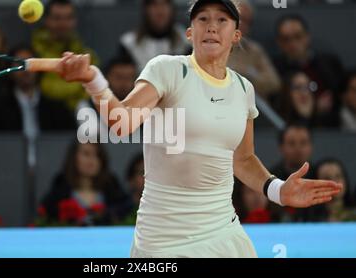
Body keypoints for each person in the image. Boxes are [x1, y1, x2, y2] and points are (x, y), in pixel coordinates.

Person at [54, 0, 342, 258]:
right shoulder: (167, 69)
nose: (212, 27)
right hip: (164, 240)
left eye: (222, 20)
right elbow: (120, 124)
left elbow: (242, 159)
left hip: (224, 233)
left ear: (236, 35)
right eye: (203, 19)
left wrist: (278, 190)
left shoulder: (244, 89)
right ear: (190, 33)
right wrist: (93, 80)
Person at [273, 14, 346, 127]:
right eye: (286, 39)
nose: (292, 44)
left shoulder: (329, 64)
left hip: (333, 125)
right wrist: (315, 107)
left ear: (307, 37)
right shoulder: (275, 69)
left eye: (298, 37)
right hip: (292, 126)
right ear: (279, 43)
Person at [40, 142, 131, 226]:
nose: (92, 160)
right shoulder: (61, 187)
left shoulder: (112, 186)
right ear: (74, 157)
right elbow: (47, 216)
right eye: (86, 154)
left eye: (97, 155)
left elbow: (126, 210)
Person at [32, 0, 100, 111]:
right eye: (57, 18)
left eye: (68, 18)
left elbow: (94, 89)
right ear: (46, 20)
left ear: (75, 21)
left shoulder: (88, 55)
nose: (63, 24)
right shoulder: (34, 52)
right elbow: (45, 89)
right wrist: (78, 87)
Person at [227, 0, 281, 100]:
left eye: (248, 22)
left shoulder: (254, 50)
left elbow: (274, 83)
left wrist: (249, 72)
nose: (243, 25)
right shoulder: (209, 46)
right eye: (239, 18)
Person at [118, 0, 191, 72]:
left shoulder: (186, 41)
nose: (160, 11)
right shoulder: (129, 43)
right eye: (154, 5)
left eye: (164, 4)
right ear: (145, 10)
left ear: (172, 9)